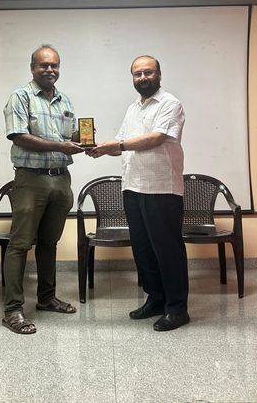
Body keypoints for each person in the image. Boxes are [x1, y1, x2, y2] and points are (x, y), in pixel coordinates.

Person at [87, 55, 190, 331]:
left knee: (167, 250)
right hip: (133, 187)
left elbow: (156, 138)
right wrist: (99, 148)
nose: (143, 77)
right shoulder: (133, 108)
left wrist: (117, 146)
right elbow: (123, 141)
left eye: (148, 72)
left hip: (161, 189)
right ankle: (155, 299)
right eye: (137, 74)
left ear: (159, 74)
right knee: (143, 250)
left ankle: (177, 308)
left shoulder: (170, 104)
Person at [1, 45, 82, 335]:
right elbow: (18, 136)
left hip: (61, 179)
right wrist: (62, 145)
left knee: (49, 243)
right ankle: (12, 310)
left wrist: (84, 139)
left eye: (54, 65)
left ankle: (47, 299)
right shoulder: (20, 97)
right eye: (44, 65)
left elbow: (68, 136)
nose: (50, 70)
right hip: (31, 180)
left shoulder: (65, 100)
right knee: (20, 244)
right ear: (32, 67)